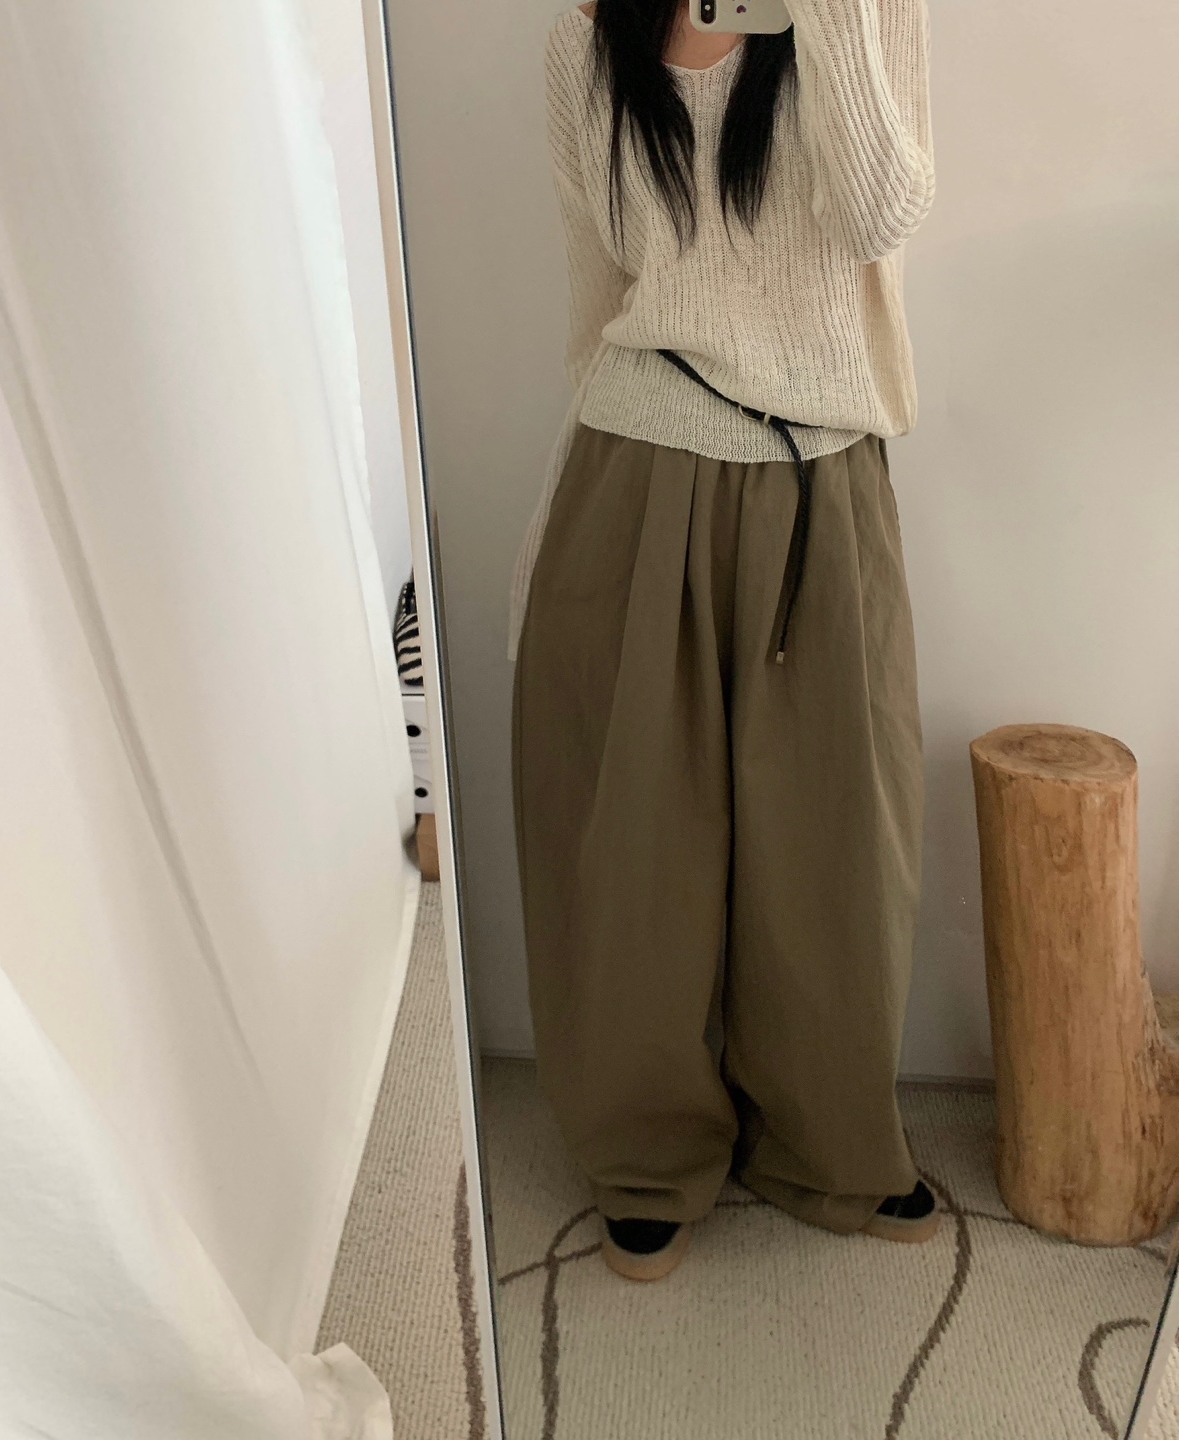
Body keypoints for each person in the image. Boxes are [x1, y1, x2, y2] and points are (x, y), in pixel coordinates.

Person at [508, 0, 936, 1281]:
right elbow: (595, 282)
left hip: (822, 471)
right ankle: (646, 1152)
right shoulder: (585, 35)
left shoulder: (869, 8)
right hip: (638, 465)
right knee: (635, 845)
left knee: (837, 842)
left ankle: (828, 1139)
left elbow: (884, 213)